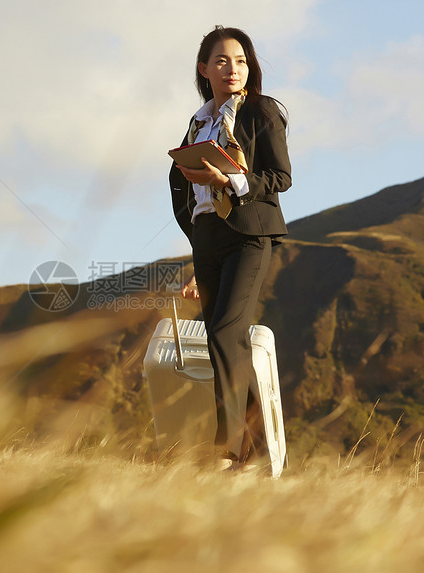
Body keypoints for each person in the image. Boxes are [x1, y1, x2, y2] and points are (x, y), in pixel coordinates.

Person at [169, 25, 291, 469]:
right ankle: (259, 457)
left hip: (250, 233)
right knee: (230, 341)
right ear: (204, 69)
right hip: (207, 239)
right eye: (221, 61)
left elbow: (281, 177)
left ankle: (227, 447)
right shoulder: (198, 123)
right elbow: (186, 191)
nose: (232, 69)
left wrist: (232, 181)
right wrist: (194, 254)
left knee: (223, 332)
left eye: (240, 60)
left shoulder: (263, 112)